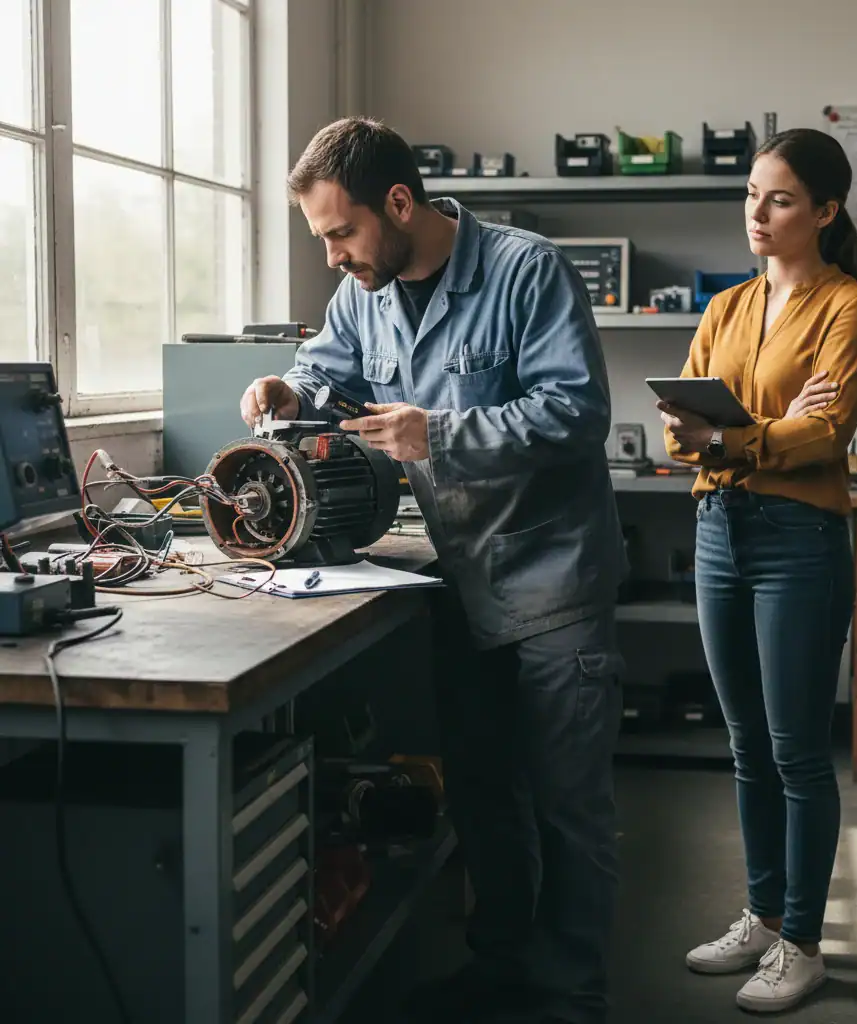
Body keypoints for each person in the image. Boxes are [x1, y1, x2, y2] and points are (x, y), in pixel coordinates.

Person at [239, 117, 626, 1024]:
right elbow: (326, 372)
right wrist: (289, 390)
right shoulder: (362, 294)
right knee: (485, 797)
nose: (333, 256)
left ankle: (572, 997)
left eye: (342, 232)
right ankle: (503, 971)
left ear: (399, 202)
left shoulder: (526, 270)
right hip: (461, 582)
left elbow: (577, 411)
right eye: (322, 237)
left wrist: (438, 433)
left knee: (567, 809)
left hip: (554, 582)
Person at [657, 128, 857, 1013]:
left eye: (780, 199)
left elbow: (827, 432)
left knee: (795, 751)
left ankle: (803, 942)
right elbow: (679, 426)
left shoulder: (850, 307)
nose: (758, 212)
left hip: (800, 540)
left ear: (824, 211)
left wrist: (730, 438)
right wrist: (748, 436)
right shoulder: (725, 307)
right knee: (746, 744)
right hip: (720, 529)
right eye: (753, 194)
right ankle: (761, 915)